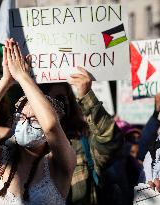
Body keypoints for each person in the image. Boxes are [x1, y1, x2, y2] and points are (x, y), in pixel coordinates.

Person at [0, 39, 76, 205]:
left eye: (34, 119)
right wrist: (6, 81)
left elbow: (51, 127)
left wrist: (23, 76)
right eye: (20, 117)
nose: (25, 123)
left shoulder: (60, 162)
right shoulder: (1, 160)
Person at [39, 70, 124, 205]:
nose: (53, 105)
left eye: (59, 99)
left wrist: (86, 96)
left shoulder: (83, 140)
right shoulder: (25, 147)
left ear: (69, 102)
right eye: (44, 99)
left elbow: (110, 138)